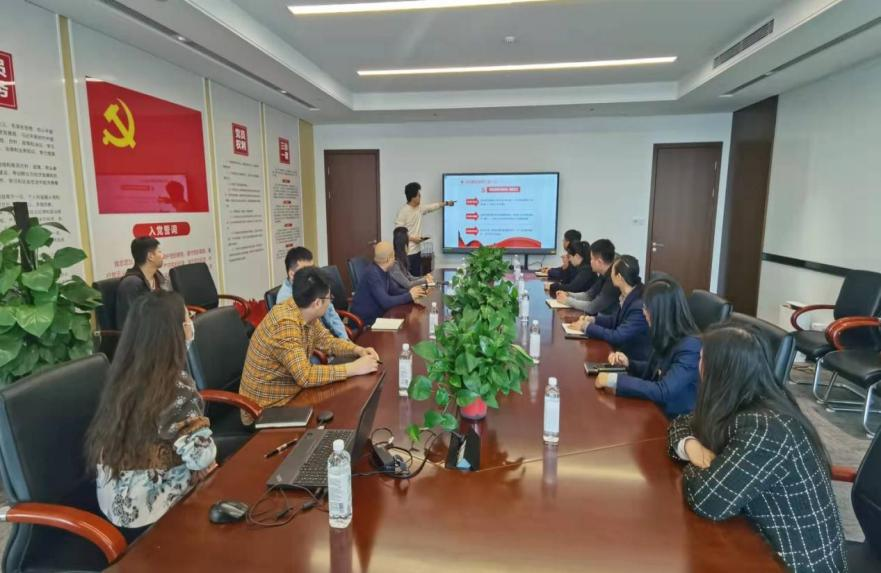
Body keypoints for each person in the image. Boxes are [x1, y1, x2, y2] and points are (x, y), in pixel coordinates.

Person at [667, 326, 846, 571]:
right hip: (755, 536)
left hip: (792, 562)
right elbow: (681, 422)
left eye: (701, 359)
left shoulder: (767, 429)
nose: (698, 366)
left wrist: (706, 465)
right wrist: (692, 447)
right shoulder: (740, 399)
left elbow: (707, 500)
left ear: (718, 370)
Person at [86, 291, 217, 538]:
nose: (191, 324)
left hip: (114, 506)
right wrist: (201, 462)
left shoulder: (123, 374)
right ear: (175, 333)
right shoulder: (174, 385)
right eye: (187, 319)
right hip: (149, 515)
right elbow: (201, 457)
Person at [240, 268, 380, 416]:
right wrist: (353, 368)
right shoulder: (285, 325)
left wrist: (357, 350)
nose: (330, 301)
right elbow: (305, 376)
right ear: (317, 303)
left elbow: (328, 341)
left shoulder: (304, 310)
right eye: (330, 298)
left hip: (293, 393)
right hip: (266, 408)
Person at [594, 277, 701, 418]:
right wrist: (629, 364)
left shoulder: (691, 347)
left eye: (646, 308)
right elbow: (656, 370)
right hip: (654, 408)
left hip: (672, 420)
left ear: (661, 312)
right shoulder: (667, 334)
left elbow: (664, 390)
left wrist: (615, 380)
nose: (643, 312)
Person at [568, 255, 651, 362]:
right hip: (620, 353)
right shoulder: (629, 294)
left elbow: (618, 336)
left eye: (612, 270)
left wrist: (587, 327)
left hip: (631, 360)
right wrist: (593, 320)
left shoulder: (638, 305)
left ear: (619, 277)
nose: (610, 274)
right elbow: (614, 321)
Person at [277, 246, 348, 340]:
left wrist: (345, 339)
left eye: (312, 268)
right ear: (292, 274)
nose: (312, 274)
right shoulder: (285, 301)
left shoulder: (312, 283)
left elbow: (331, 314)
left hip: (327, 337)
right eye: (306, 270)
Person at [351, 241, 426, 326]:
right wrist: (409, 296)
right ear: (388, 259)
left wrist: (414, 293)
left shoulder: (384, 270)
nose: (395, 259)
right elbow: (386, 302)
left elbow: (394, 291)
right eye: (393, 256)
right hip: (365, 322)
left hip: (379, 317)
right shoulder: (372, 274)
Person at [394, 182, 454, 276]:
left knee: (417, 277)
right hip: (407, 253)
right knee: (408, 279)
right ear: (413, 197)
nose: (420, 197)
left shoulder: (419, 208)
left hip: (417, 252)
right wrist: (413, 239)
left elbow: (433, 206)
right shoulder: (403, 212)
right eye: (419, 195)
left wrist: (446, 203)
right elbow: (398, 233)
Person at [557, 238, 619, 315]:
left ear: (599, 262)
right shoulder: (604, 274)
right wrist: (568, 294)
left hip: (607, 320)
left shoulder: (613, 280)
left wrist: (567, 300)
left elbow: (592, 307)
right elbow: (589, 295)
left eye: (592, 259)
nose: (590, 261)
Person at [116, 236, 168, 328]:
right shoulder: (131, 284)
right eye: (159, 252)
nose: (162, 255)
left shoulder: (158, 277)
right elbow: (133, 323)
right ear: (150, 256)